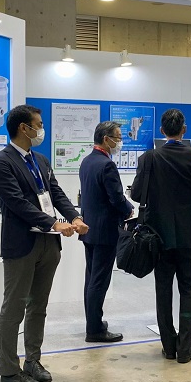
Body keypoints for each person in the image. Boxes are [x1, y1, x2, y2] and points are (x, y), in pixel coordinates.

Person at [0, 104, 88, 382]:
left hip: (48, 244)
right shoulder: (2, 162)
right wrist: (53, 223)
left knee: (38, 306)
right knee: (14, 308)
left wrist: (74, 217)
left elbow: (55, 193)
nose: (42, 129)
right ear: (24, 128)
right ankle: (9, 371)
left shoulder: (40, 160)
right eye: (39, 124)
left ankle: (33, 361)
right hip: (22, 244)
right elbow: (16, 203)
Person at [131, 109, 191, 364]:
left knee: (163, 289)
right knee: (188, 289)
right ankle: (185, 347)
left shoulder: (149, 158)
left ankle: (168, 346)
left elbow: (136, 194)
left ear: (162, 131)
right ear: (183, 130)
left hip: (158, 236)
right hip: (189, 235)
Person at [78, 121, 134, 343]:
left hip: (90, 229)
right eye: (117, 138)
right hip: (105, 232)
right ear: (106, 139)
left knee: (91, 278)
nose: (120, 142)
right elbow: (116, 198)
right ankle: (94, 330)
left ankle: (94, 322)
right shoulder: (107, 165)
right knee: (99, 281)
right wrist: (129, 209)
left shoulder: (87, 161)